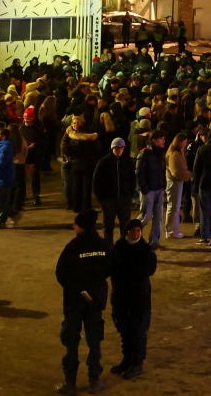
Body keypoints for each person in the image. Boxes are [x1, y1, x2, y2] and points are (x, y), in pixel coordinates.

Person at [56, 208, 112, 394]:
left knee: (71, 342)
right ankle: (94, 380)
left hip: (74, 301)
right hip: (95, 301)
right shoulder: (103, 245)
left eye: (76, 224)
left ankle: (70, 383)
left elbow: (61, 274)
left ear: (81, 227)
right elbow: (110, 268)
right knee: (94, 341)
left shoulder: (72, 247)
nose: (73, 227)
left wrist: (77, 287)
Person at [109, 218, 155, 380]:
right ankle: (127, 359)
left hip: (139, 298)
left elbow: (150, 269)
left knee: (138, 331)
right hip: (121, 296)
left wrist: (129, 271)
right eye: (133, 230)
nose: (136, 234)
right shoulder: (119, 247)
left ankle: (137, 363)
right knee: (124, 329)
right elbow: (112, 268)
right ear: (127, 232)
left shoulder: (145, 249)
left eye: (139, 231)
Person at [92, 138, 136, 248]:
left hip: (124, 199)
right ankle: (108, 248)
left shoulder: (127, 162)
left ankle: (123, 248)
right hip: (108, 200)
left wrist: (129, 195)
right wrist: (102, 199)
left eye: (121, 148)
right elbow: (96, 182)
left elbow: (132, 179)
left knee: (125, 226)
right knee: (108, 226)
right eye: (117, 148)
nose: (119, 150)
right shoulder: (103, 163)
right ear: (112, 148)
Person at [135, 131, 166, 247]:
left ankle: (154, 241)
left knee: (158, 217)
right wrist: (145, 190)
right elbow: (139, 173)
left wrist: (163, 186)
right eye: (161, 138)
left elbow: (162, 171)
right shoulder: (144, 154)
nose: (163, 141)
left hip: (158, 188)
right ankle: (132, 233)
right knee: (145, 217)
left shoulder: (161, 153)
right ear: (154, 140)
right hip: (149, 190)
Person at [0, 126, 20, 229]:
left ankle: (14, 214)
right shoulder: (4, 146)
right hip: (4, 176)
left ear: (3, 136)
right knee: (3, 200)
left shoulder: (5, 148)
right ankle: (0, 221)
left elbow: (0, 163)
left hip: (3, 178)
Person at [165, 134, 193, 240]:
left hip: (177, 181)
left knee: (175, 207)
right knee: (173, 207)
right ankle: (171, 231)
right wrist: (188, 175)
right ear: (180, 142)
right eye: (184, 141)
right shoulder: (174, 154)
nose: (186, 143)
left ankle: (174, 230)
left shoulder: (177, 152)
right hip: (174, 182)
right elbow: (177, 171)